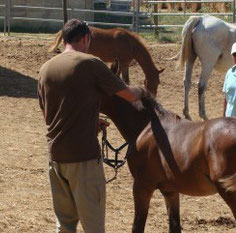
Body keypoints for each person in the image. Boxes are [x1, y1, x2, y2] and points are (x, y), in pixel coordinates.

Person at [37, 19, 144, 233]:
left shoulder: (45, 69)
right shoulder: (91, 64)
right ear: (85, 38)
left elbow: (48, 115)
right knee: (93, 226)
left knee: (65, 225)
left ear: (64, 38)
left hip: (56, 157)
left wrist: (90, 121)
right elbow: (129, 95)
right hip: (83, 157)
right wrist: (146, 94)